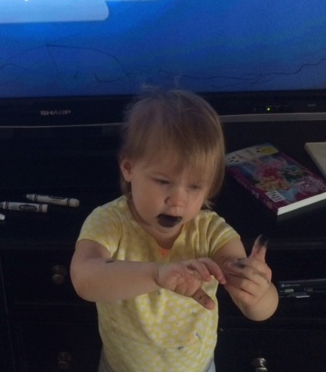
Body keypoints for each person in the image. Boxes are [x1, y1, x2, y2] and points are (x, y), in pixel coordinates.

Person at [70, 89, 278, 372]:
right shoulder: (109, 222)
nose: (178, 199)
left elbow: (259, 310)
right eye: (163, 181)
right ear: (129, 168)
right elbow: (85, 279)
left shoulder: (212, 232)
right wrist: (157, 274)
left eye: (194, 186)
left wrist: (257, 293)